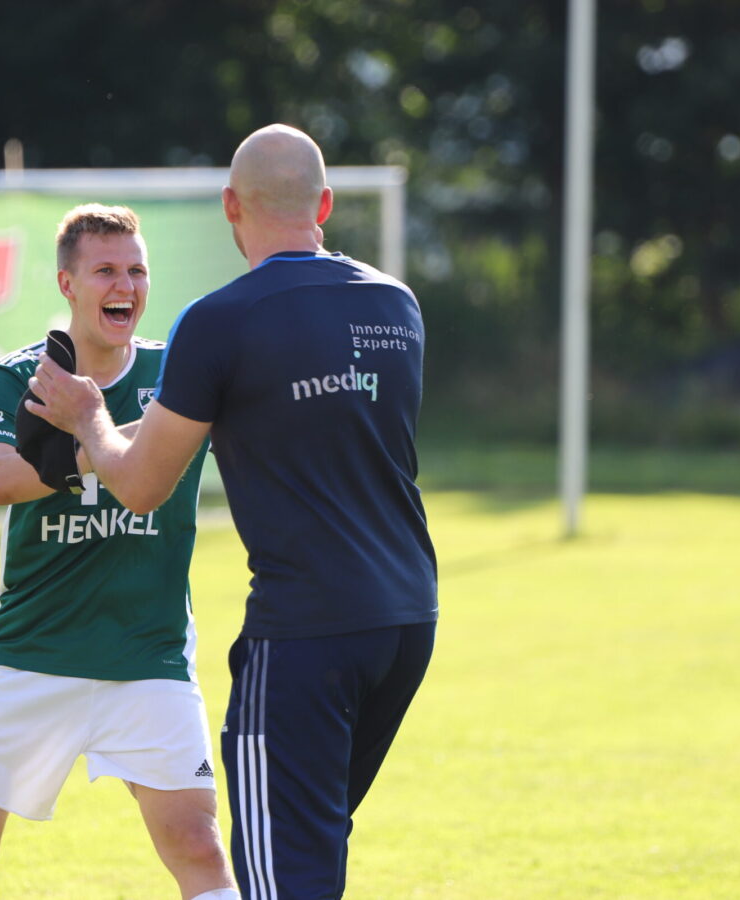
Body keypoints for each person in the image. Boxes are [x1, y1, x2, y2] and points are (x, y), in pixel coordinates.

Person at [26, 126, 438, 898]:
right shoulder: (397, 303)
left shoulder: (221, 321)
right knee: (307, 849)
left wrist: (88, 417)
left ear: (230, 207)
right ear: (324, 204)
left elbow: (140, 485)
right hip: (408, 622)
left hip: (306, 633)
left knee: (280, 870)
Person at [0, 204, 239, 900]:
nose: (124, 285)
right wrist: (105, 437)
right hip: (31, 649)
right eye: (105, 270)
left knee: (198, 845)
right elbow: (0, 478)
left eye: (137, 270)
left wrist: (98, 431)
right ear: (67, 284)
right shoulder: (21, 377)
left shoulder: (177, 375)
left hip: (149, 654)